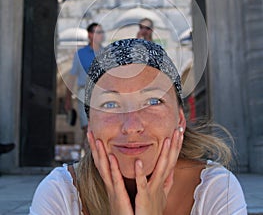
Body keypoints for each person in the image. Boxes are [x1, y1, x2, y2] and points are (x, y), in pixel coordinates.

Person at [30, 39, 247, 215]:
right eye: (110, 104)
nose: (132, 126)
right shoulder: (61, 193)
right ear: (90, 124)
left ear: (180, 120)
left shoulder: (215, 190)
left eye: (153, 101)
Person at [65, 22, 104, 149]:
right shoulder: (80, 54)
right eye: (98, 32)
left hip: (102, 95)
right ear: (90, 35)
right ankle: (88, 160)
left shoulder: (106, 53)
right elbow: (72, 77)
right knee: (87, 128)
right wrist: (67, 99)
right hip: (84, 93)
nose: (101, 35)